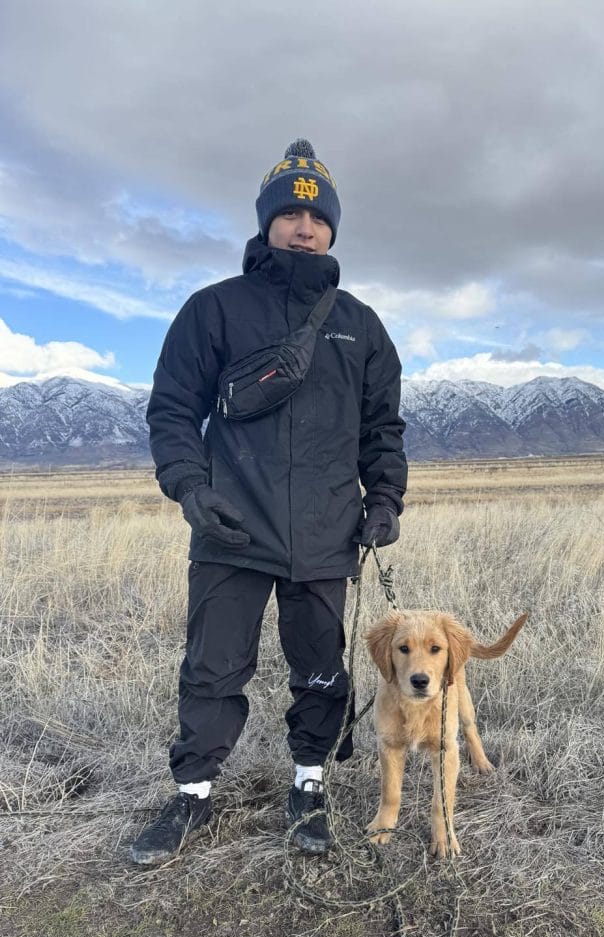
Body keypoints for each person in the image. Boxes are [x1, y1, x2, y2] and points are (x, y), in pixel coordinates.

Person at [129, 139, 407, 864]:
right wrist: (192, 490)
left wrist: (384, 499)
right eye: (288, 214)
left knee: (320, 668)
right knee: (212, 668)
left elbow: (382, 429)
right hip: (231, 527)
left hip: (326, 531)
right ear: (266, 223)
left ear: (332, 228)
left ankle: (309, 786)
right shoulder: (213, 310)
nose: (303, 227)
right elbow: (172, 412)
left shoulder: (361, 325)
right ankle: (192, 795)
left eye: (317, 217)